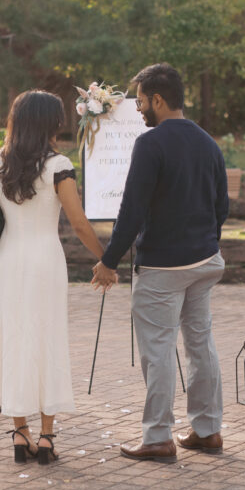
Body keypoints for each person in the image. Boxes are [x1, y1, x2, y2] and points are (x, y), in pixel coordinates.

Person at [91, 63, 229, 463]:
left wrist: (108, 261)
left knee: (158, 349)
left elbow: (131, 211)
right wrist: (203, 243)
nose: (138, 110)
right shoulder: (208, 143)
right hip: (205, 262)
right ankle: (207, 430)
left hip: (163, 269)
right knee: (201, 345)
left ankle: (157, 437)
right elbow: (222, 206)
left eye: (140, 101)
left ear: (158, 99)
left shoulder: (150, 144)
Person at [0, 90, 106, 465]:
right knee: (48, 338)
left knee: (14, 340)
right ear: (50, 123)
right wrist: (107, 260)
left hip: (10, 260)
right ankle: (47, 437)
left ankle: (21, 434)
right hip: (45, 261)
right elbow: (79, 225)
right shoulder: (58, 165)